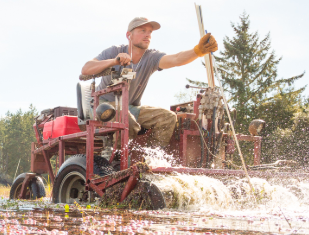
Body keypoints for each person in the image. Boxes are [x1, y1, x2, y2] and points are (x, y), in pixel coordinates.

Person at [81, 16, 218, 155]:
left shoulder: (151, 57)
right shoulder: (113, 51)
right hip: (103, 107)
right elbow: (86, 69)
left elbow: (175, 59)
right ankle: (116, 159)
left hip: (130, 108)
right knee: (127, 119)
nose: (147, 35)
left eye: (150, 32)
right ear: (129, 35)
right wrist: (114, 61)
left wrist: (198, 51)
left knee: (168, 117)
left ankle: (151, 158)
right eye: (142, 30)